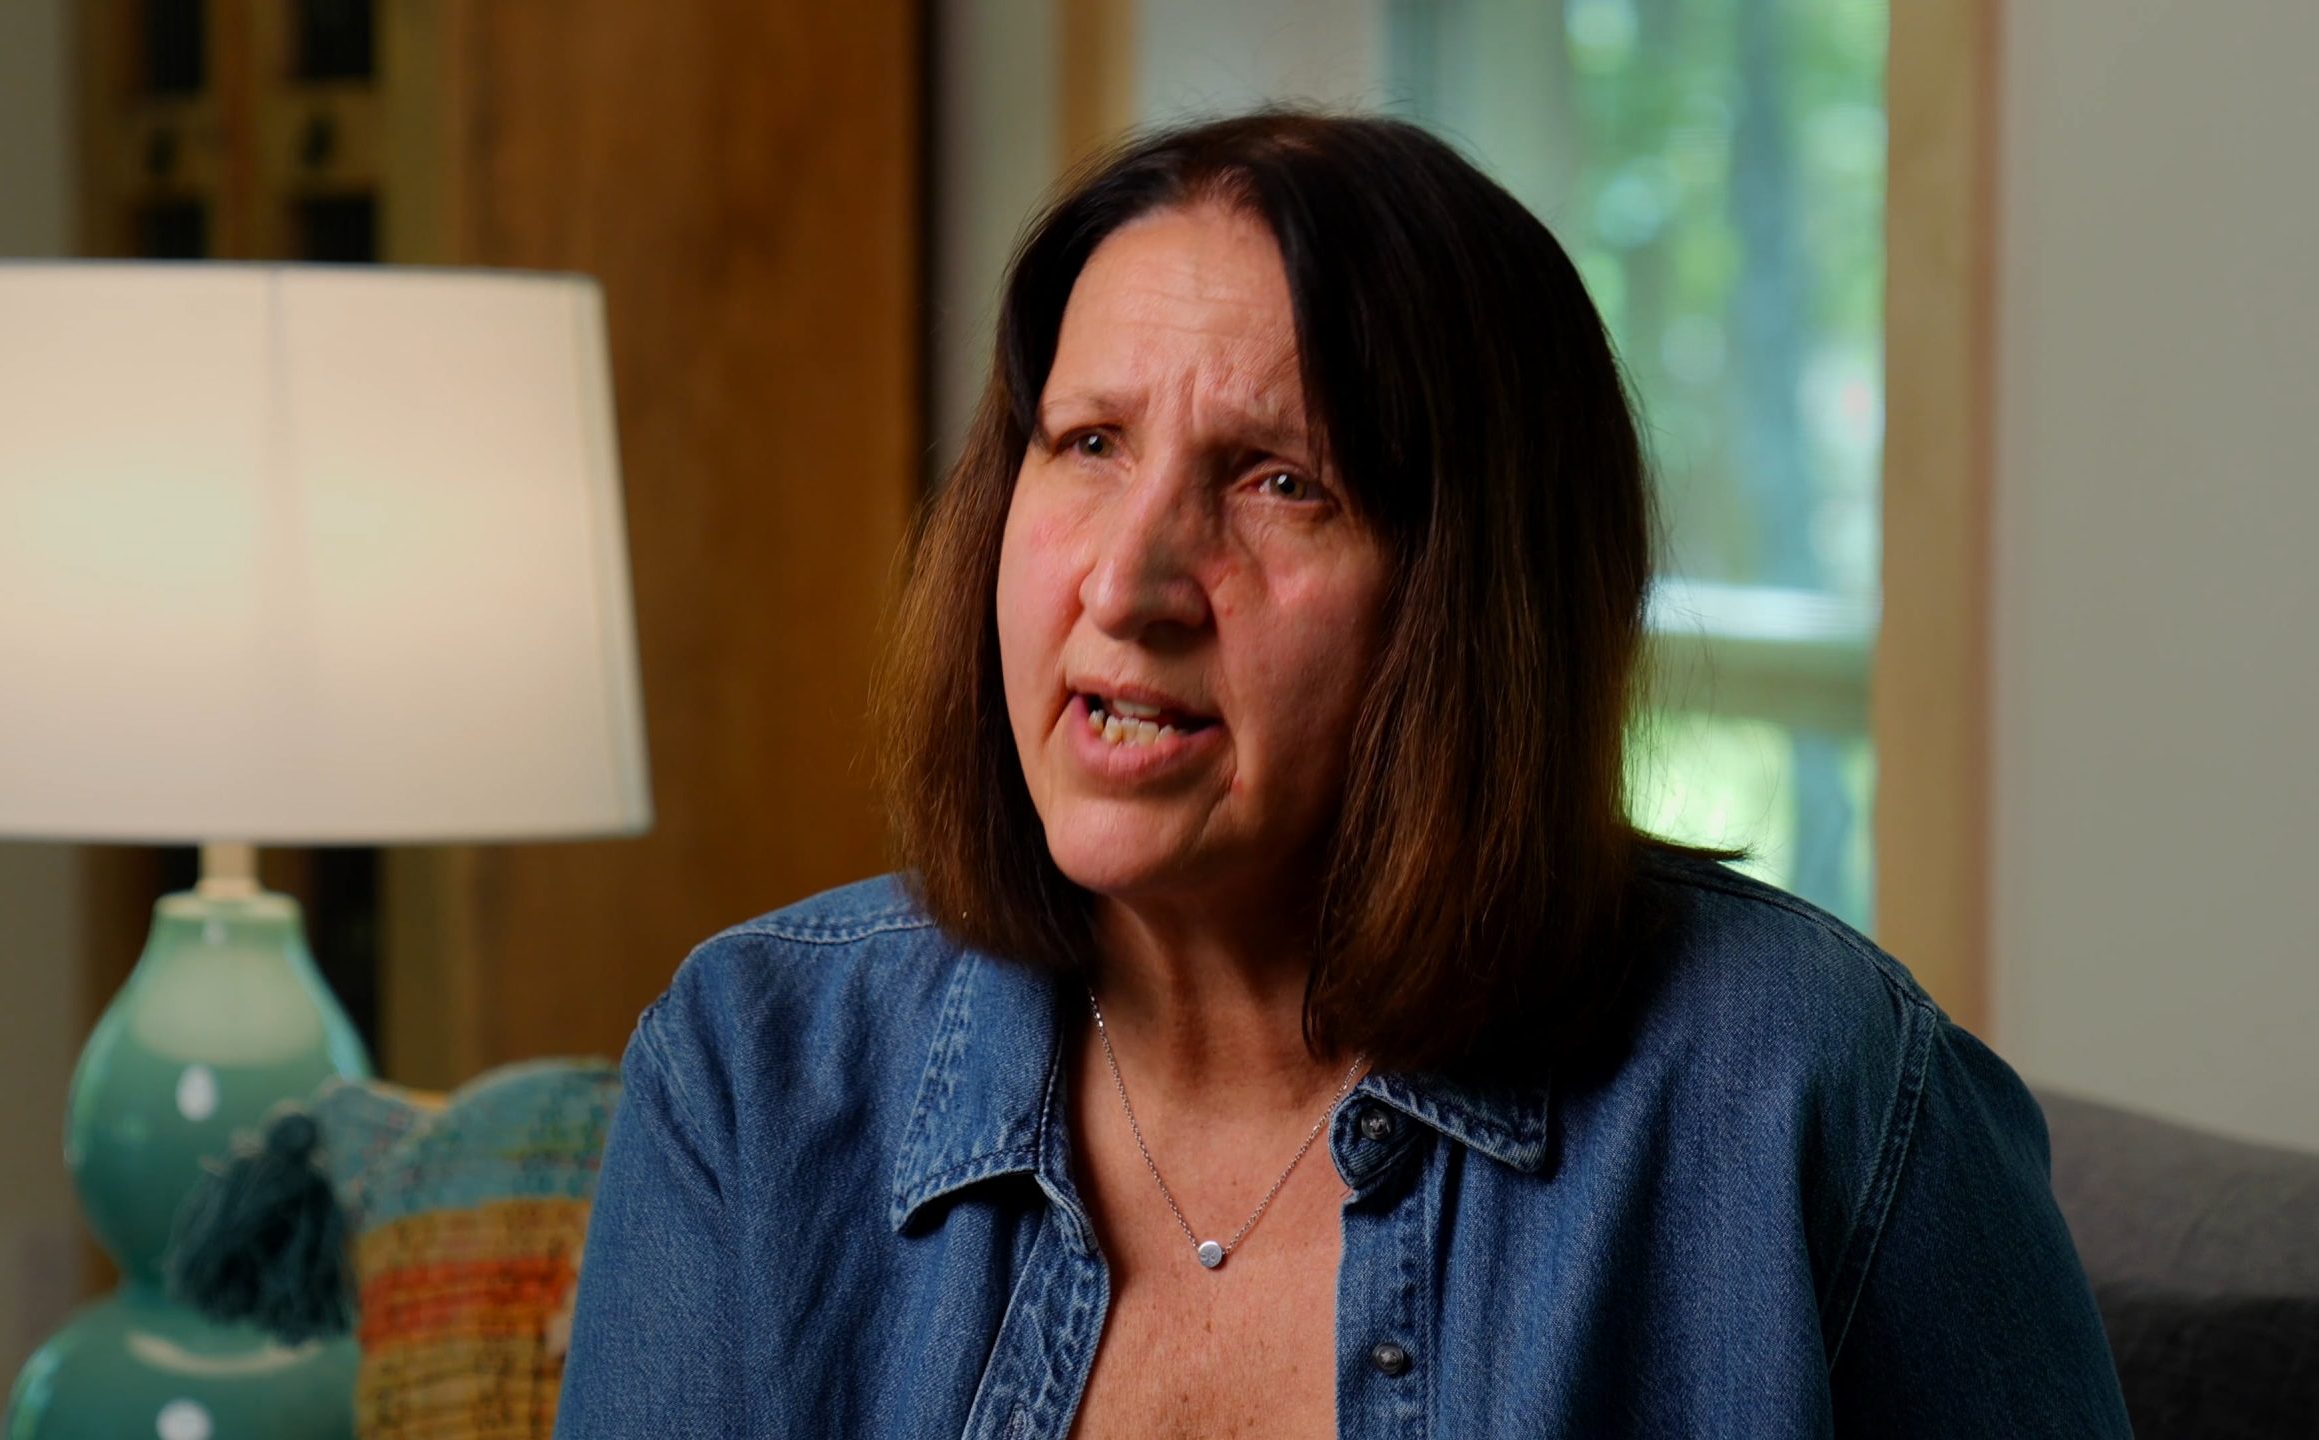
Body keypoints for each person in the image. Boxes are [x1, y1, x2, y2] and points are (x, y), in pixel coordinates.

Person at [553, 111, 2130, 1439]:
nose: (1129, 584)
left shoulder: (1813, 1095)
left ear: (1475, 599)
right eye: (1088, 442)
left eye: (1278, 480)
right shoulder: (754, 1070)